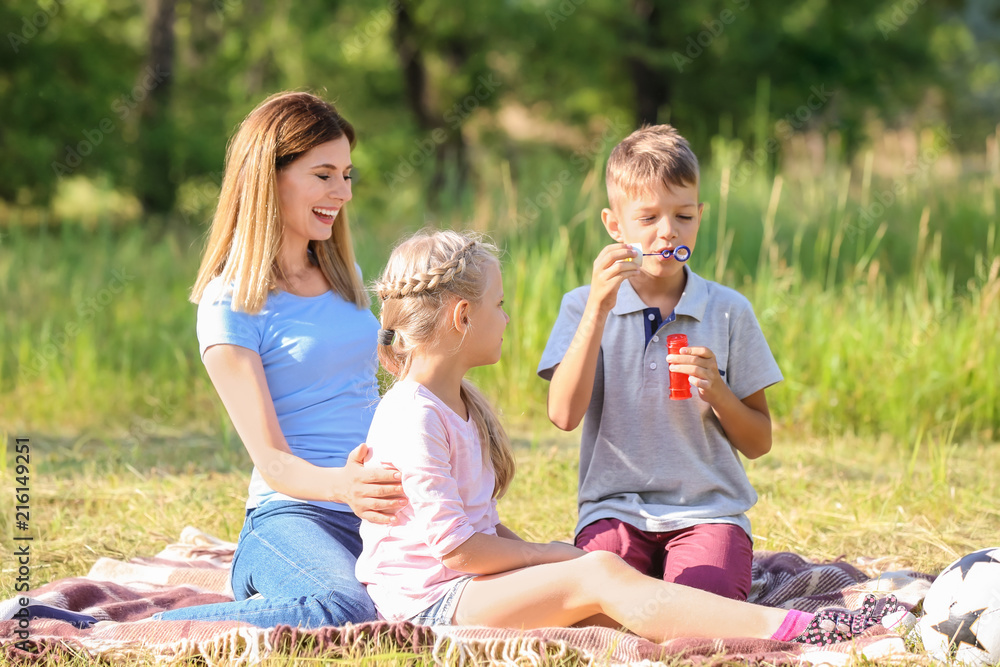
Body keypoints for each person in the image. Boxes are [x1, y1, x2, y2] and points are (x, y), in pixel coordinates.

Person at [354, 229, 902, 645]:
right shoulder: (414, 415)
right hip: (428, 604)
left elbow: (481, 524)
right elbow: (461, 550)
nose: (507, 317)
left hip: (461, 589)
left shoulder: (459, 403)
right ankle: (803, 631)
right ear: (462, 316)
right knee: (599, 576)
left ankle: (800, 629)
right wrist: (550, 555)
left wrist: (549, 559)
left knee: (631, 611)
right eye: (498, 305)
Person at [154, 92, 407, 628]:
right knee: (346, 611)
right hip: (292, 515)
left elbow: (368, 387)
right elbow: (272, 461)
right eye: (323, 175)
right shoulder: (232, 305)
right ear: (271, 177)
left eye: (347, 174)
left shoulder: (343, 276)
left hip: (373, 509)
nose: (342, 192)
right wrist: (346, 487)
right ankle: (129, 629)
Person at [537, 124, 781, 601]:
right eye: (647, 217)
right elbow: (563, 416)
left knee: (705, 605)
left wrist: (720, 395)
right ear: (614, 225)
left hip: (708, 511)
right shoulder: (582, 305)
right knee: (597, 606)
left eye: (683, 216)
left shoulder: (729, 310)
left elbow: (759, 442)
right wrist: (598, 310)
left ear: (700, 216)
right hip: (613, 509)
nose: (668, 231)